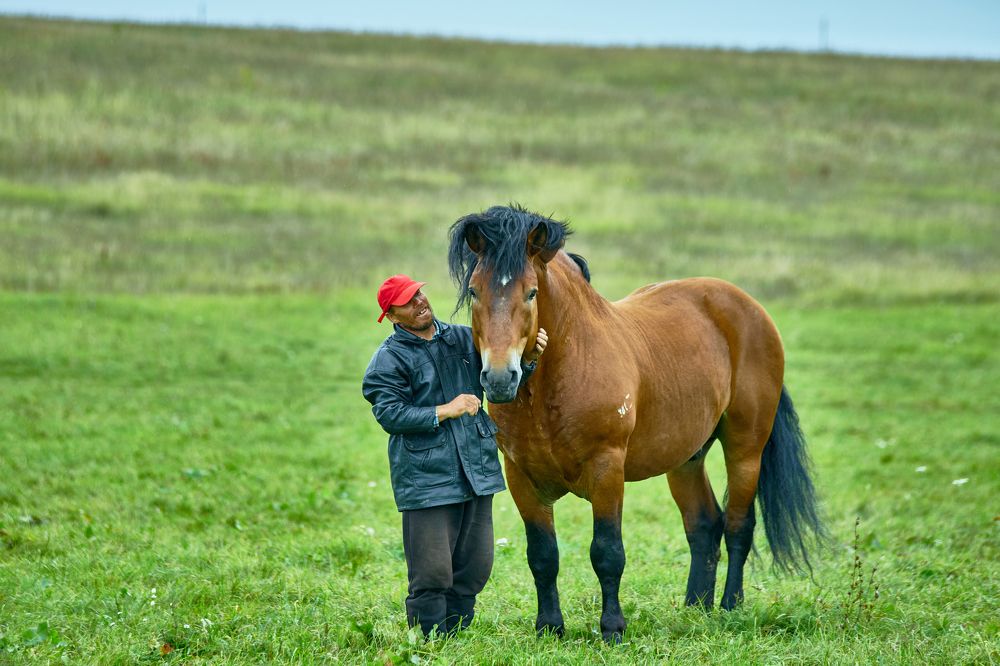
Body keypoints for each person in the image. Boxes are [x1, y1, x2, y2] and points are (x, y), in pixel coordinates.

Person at [362, 274, 547, 637]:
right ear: (392, 315)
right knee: (432, 572)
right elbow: (389, 414)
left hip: (476, 471)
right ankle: (427, 639)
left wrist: (531, 359)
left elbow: (499, 385)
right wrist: (445, 409)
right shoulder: (388, 359)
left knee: (475, 566)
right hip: (427, 476)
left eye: (419, 293)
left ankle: (456, 635)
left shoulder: (463, 338)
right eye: (407, 301)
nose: (419, 302)